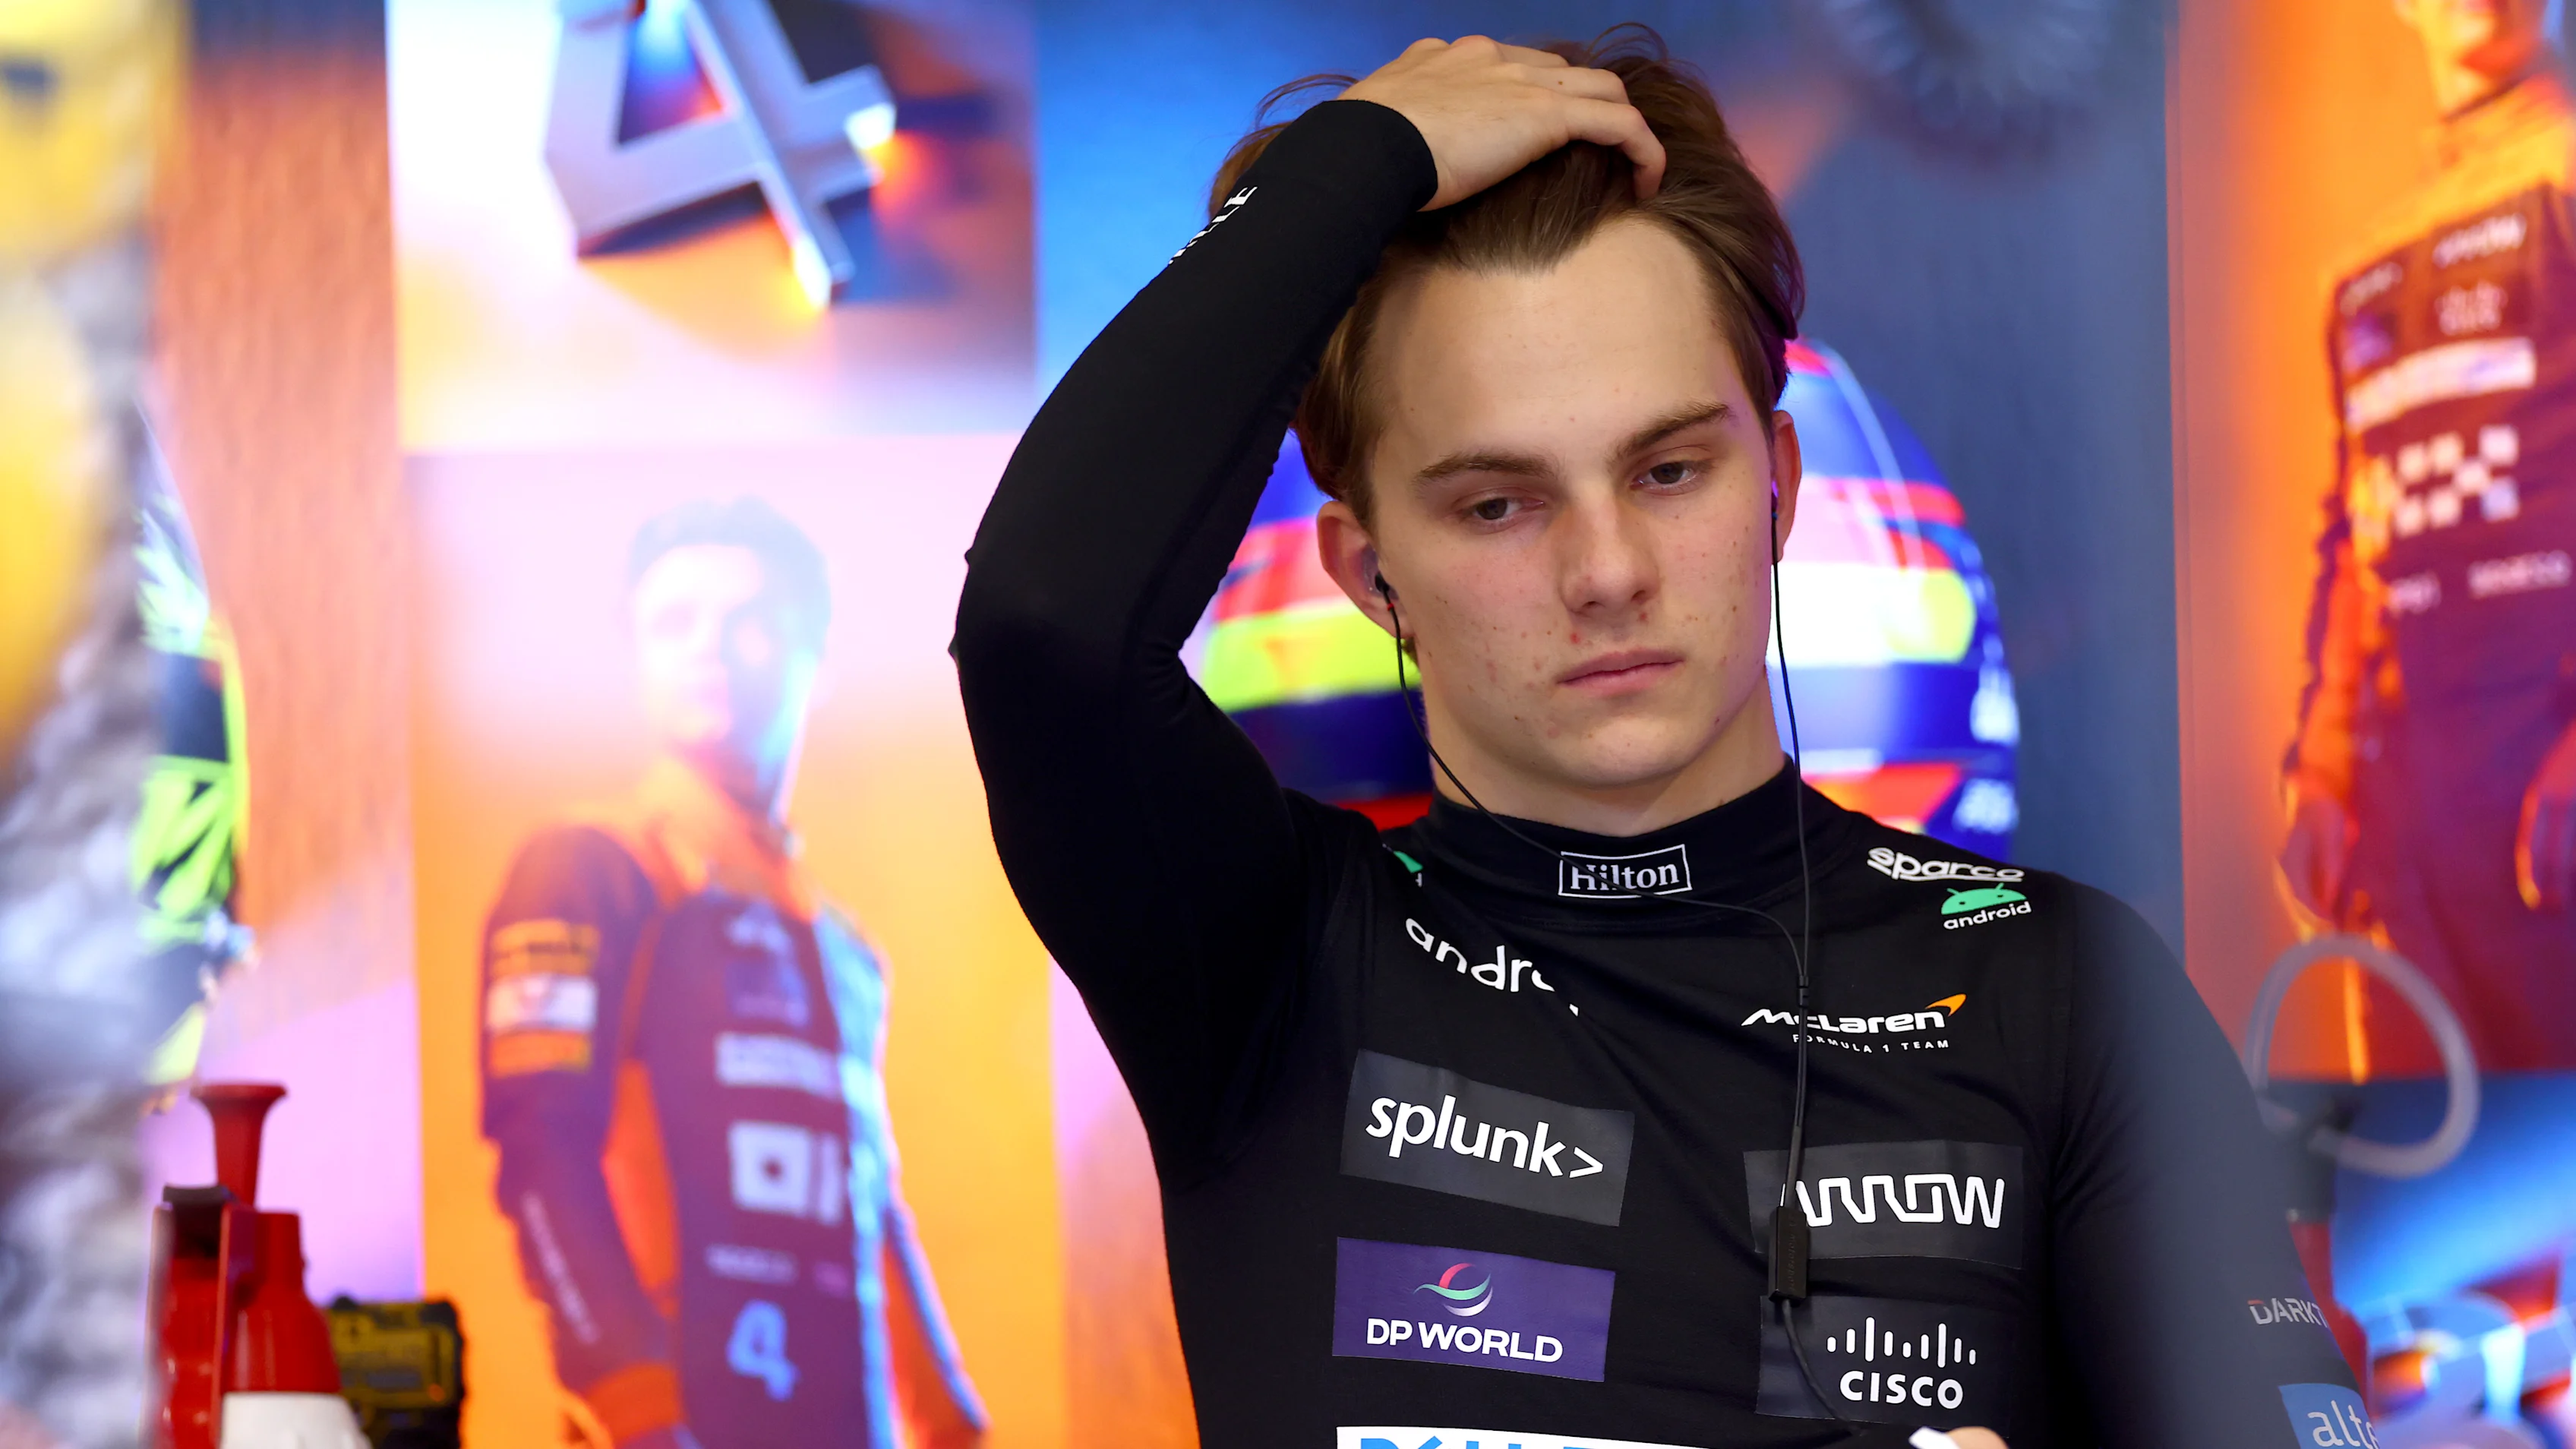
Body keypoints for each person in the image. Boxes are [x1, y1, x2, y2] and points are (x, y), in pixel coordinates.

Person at [955, 26, 2364, 1449]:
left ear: (1779, 485)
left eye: (1669, 468)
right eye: (1497, 502)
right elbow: (1042, 622)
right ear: (1365, 568)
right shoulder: (1272, 963)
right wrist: (1359, 160)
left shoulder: (2057, 984)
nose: (1607, 567)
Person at [479, 498, 984, 1449]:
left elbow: (870, 1201)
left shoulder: (844, 949)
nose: (707, 646)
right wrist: (631, 1405)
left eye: (747, 619)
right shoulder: (591, 870)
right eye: (672, 623)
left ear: (816, 660)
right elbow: (542, 1152)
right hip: (677, 1427)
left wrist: (952, 1423)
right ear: (633, 657)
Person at [2281, 0, 2576, 1074]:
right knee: (2416, 1218)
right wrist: (2316, 776)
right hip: (2399, 831)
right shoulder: (2364, 262)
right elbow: (2352, 531)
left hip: (2551, 808)